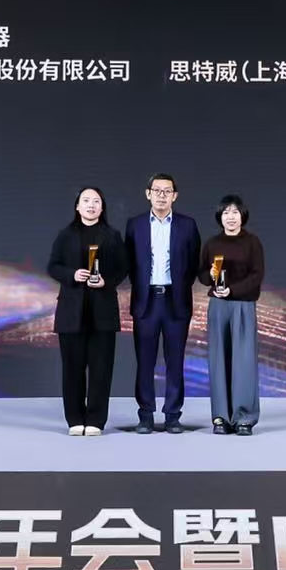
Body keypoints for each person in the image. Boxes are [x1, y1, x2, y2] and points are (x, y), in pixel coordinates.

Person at [46, 186, 127, 436]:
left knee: (101, 369)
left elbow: (123, 269)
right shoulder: (65, 235)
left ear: (102, 208)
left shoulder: (112, 235)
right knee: (72, 368)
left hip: (102, 312)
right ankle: (74, 419)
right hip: (71, 312)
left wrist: (106, 281)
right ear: (77, 207)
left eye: (96, 201)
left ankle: (95, 420)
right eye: (86, 201)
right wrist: (72, 275)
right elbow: (53, 266)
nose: (91, 205)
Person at [125, 172, 202, 433]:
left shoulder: (187, 225)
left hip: (175, 301)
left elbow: (193, 263)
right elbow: (129, 262)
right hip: (146, 301)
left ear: (174, 196)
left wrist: (179, 286)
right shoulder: (135, 225)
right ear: (148, 194)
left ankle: (172, 415)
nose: (161, 195)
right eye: (156, 190)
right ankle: (145, 415)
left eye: (167, 191)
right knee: (144, 362)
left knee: (175, 361)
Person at [198, 194, 265, 434]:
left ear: (242, 216)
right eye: (226, 213)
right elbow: (202, 275)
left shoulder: (252, 242)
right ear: (220, 217)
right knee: (219, 361)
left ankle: (244, 418)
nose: (230, 217)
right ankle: (221, 418)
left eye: (235, 212)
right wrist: (211, 275)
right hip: (218, 306)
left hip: (242, 305)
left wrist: (233, 290)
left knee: (243, 361)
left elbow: (257, 275)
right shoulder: (212, 243)